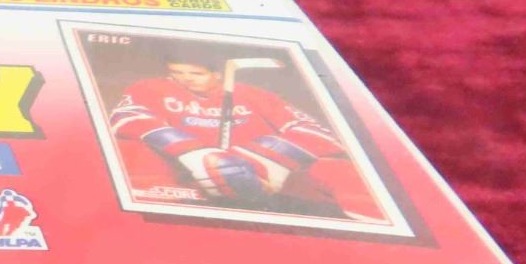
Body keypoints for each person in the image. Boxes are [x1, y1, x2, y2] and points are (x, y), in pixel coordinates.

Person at [110, 44, 351, 217]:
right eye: (177, 72)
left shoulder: (255, 95)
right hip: (186, 188)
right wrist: (195, 153)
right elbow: (127, 117)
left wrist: (264, 159)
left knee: (337, 174)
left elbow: (317, 133)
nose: (186, 79)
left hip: (265, 190)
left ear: (218, 74)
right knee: (129, 153)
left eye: (196, 73)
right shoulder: (151, 88)